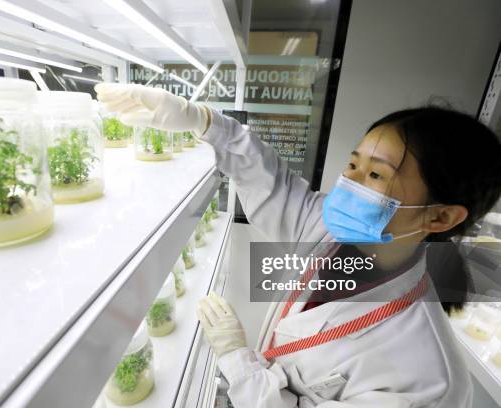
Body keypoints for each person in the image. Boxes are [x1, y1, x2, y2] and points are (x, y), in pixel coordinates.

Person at [96, 83, 501, 407]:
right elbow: (267, 179)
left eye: (376, 176)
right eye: (353, 165)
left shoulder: (428, 380)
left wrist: (240, 362)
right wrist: (202, 121)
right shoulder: (329, 232)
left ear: (441, 217)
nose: (348, 185)